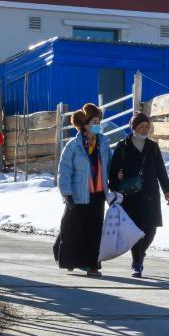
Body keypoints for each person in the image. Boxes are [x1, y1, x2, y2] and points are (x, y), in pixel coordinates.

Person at [108, 112, 169, 278]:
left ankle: (141, 253)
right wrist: (114, 185)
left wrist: (167, 189)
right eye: (141, 126)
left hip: (150, 194)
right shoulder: (122, 146)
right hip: (130, 196)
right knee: (135, 230)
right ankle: (137, 263)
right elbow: (113, 170)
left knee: (151, 229)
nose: (145, 129)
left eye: (147, 126)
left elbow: (160, 169)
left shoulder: (153, 147)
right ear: (133, 128)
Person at [54, 103, 112, 277]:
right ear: (85, 124)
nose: (98, 124)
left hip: (98, 194)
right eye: (94, 121)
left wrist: (117, 180)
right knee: (73, 227)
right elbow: (64, 171)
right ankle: (70, 259)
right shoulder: (73, 145)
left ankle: (91, 264)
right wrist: (67, 194)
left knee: (94, 231)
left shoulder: (104, 144)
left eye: (99, 121)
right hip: (78, 193)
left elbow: (110, 165)